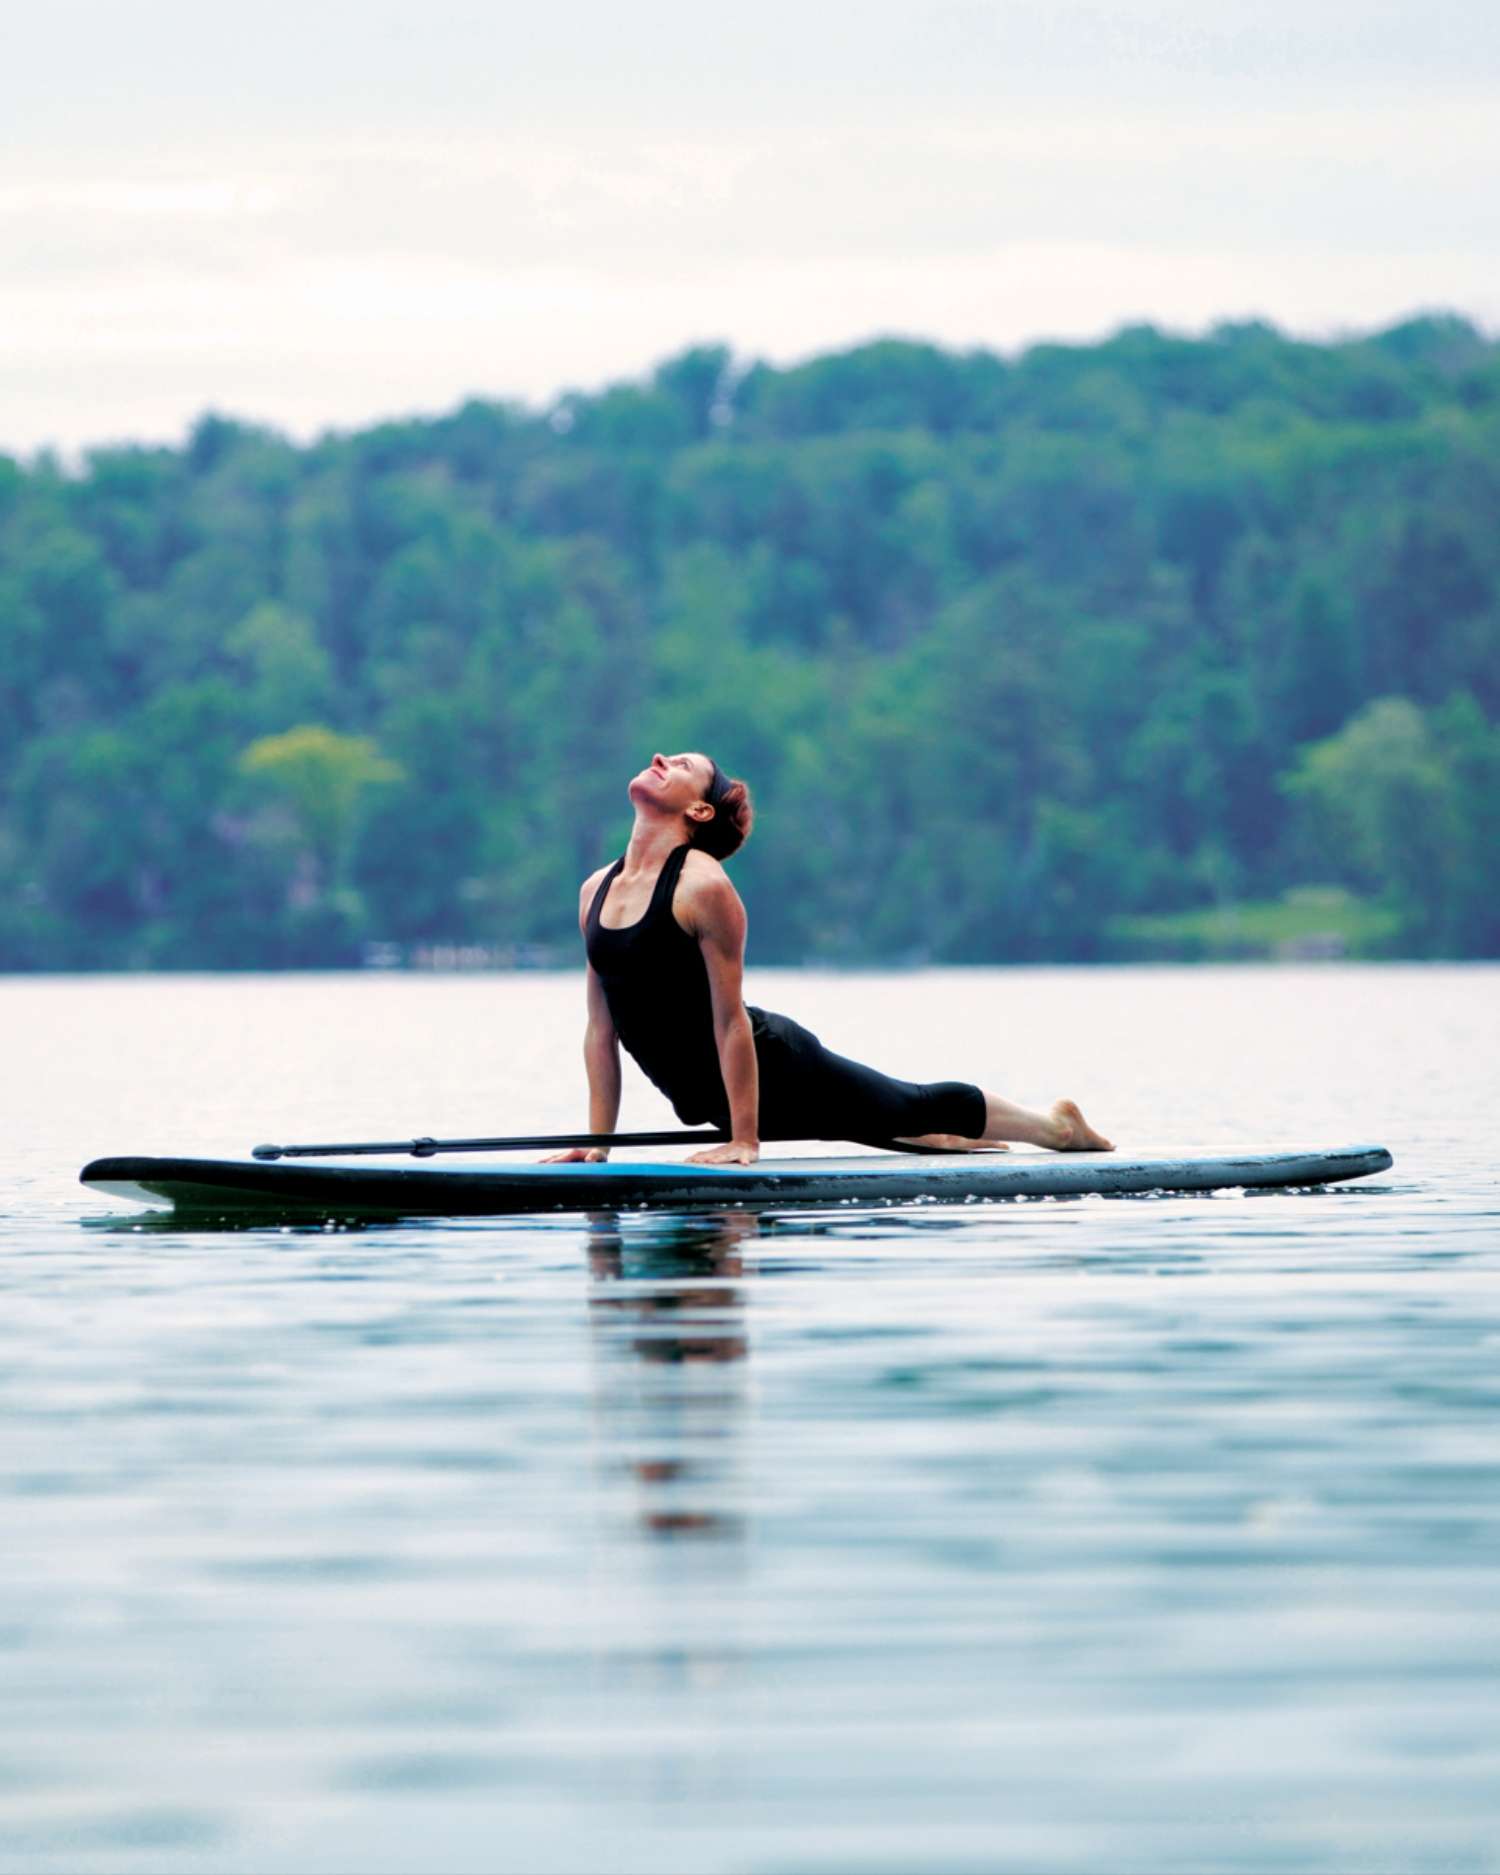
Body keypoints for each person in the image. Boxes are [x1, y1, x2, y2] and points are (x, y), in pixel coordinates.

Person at [543, 752, 1114, 1167]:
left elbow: (729, 1020)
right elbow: (601, 1029)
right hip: (710, 1099)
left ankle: (1056, 1127)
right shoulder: (596, 888)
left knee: (905, 1107)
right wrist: (600, 1144)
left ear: (699, 810)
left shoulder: (702, 888)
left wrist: (746, 1141)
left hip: (776, 1068)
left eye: (684, 765)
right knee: (896, 1128)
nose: (660, 758)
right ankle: (949, 1138)